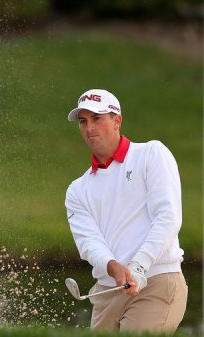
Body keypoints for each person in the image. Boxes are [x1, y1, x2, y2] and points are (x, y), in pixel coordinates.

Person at [65, 89, 188, 332]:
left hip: (155, 281)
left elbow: (167, 218)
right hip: (107, 291)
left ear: (117, 120)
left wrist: (139, 267)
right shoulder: (77, 189)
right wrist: (113, 266)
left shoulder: (151, 154)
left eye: (97, 118)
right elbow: (89, 242)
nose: (89, 127)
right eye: (83, 121)